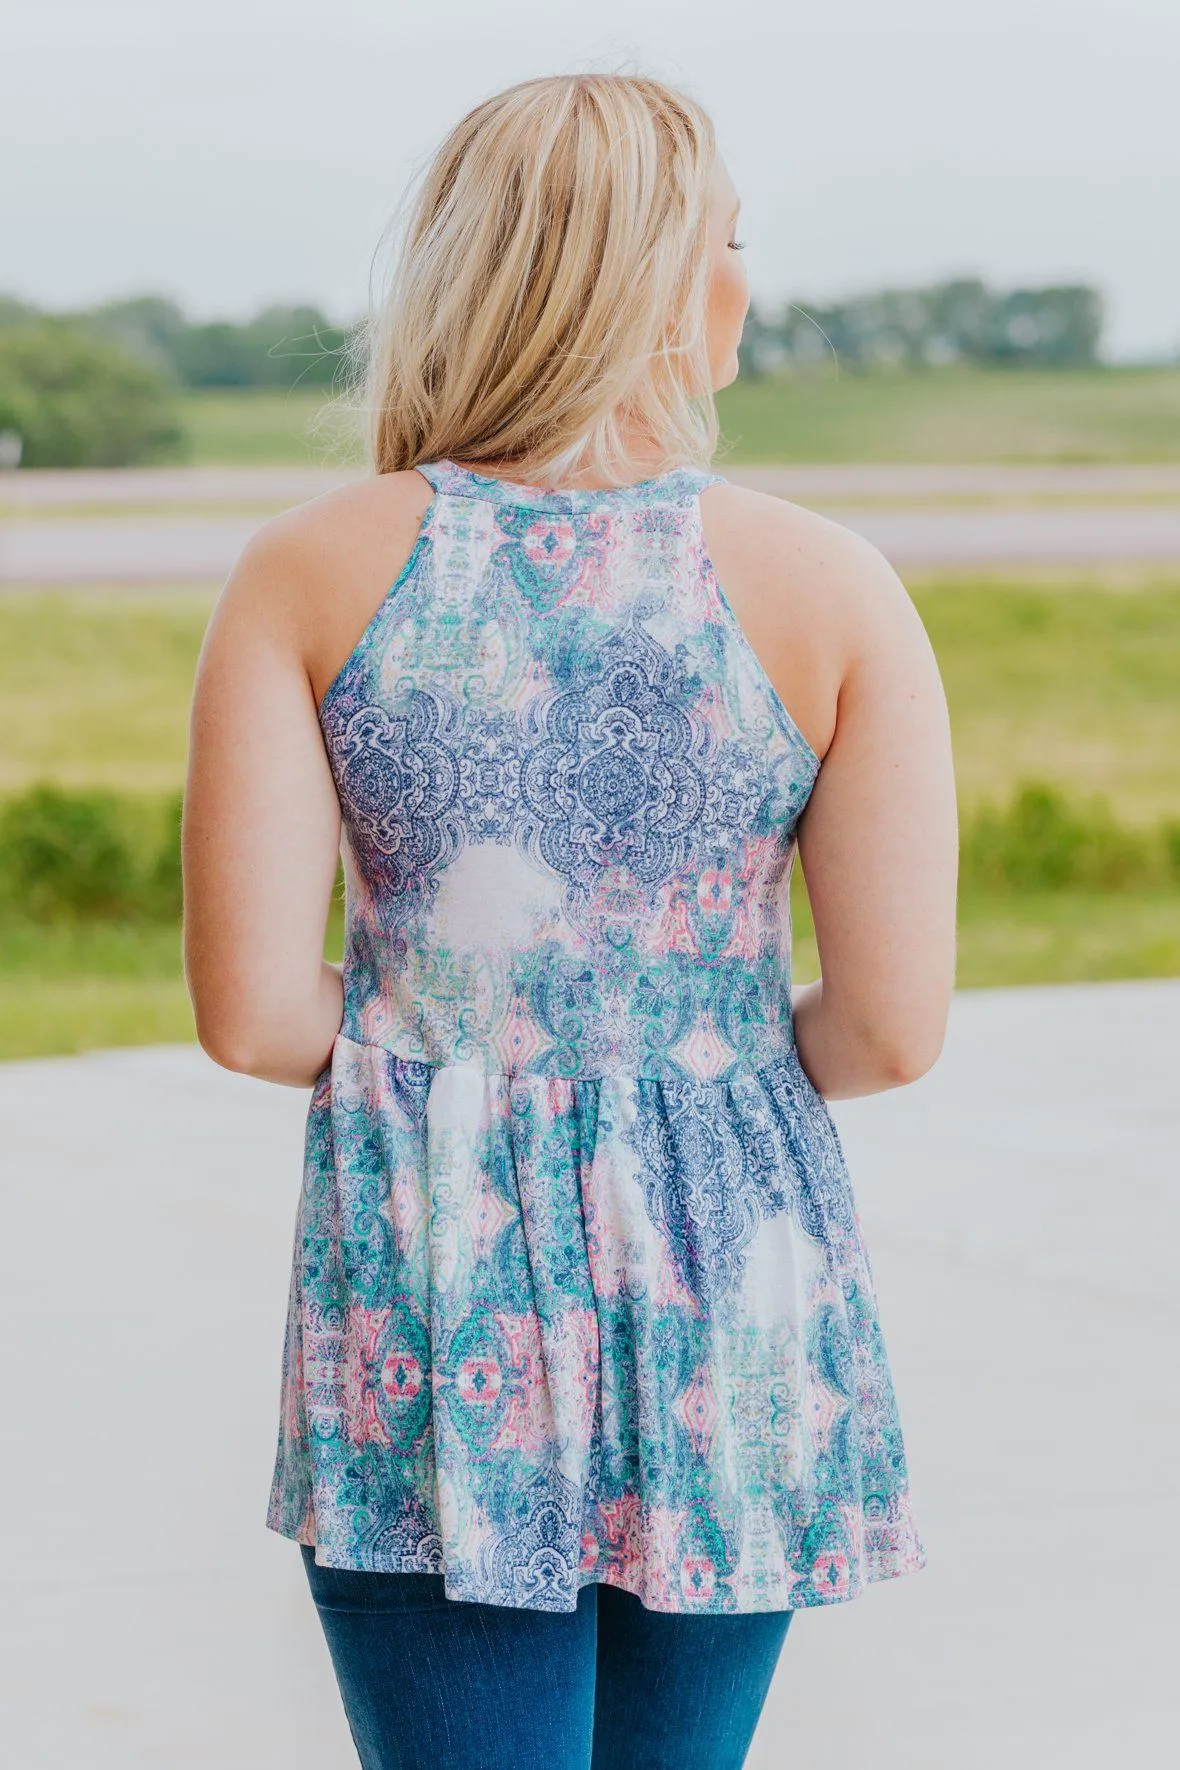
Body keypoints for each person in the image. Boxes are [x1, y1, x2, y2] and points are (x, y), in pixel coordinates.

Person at [182, 71, 958, 1770]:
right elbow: (891, 1027)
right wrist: (696, 1064)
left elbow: (258, 1015)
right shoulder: (831, 586)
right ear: (667, 283)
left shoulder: (311, 571)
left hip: (430, 1290)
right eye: (732, 244)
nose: (750, 282)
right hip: (733, 1299)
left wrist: (453, 1044)